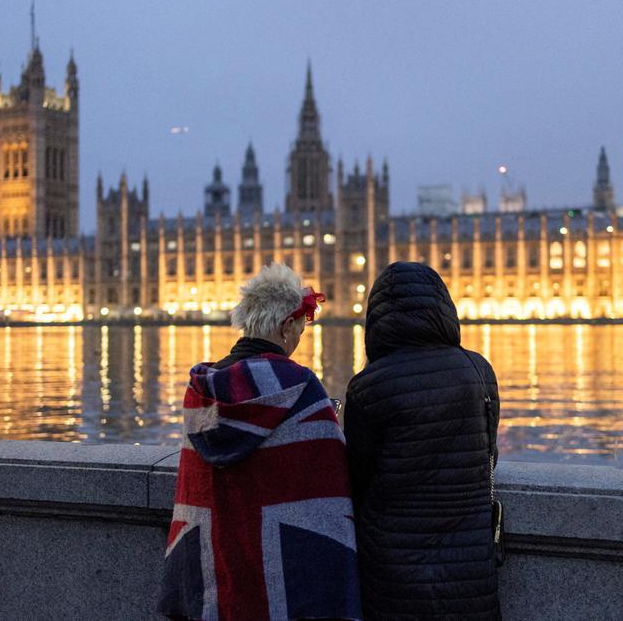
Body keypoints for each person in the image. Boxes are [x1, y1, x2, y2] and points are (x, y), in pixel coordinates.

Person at [158, 263, 361, 621]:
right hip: (281, 573)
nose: (300, 336)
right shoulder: (299, 385)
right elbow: (330, 481)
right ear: (285, 327)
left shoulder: (202, 389)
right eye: (301, 326)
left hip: (214, 567)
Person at [344, 261, 501, 619]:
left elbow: (357, 476)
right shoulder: (480, 370)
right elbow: (487, 455)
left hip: (394, 568)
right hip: (471, 566)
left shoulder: (368, 386)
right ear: (444, 307)